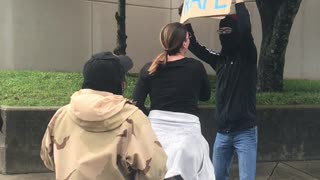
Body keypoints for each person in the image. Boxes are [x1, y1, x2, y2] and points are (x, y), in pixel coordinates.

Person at [40, 52, 167, 180]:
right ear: (122, 84)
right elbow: (156, 169)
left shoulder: (61, 115)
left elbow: (48, 160)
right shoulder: (132, 118)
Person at [180, 0, 258, 179]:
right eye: (221, 31)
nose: (224, 35)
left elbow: (246, 30)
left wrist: (239, 4)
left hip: (245, 132)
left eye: (228, 31)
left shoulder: (247, 56)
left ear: (236, 32)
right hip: (222, 132)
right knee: (216, 176)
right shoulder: (219, 60)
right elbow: (196, 48)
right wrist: (185, 20)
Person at [132, 22, 215, 180]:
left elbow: (137, 103)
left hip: (155, 135)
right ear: (185, 43)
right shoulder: (195, 67)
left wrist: (155, 115)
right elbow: (205, 96)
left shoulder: (149, 68)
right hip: (188, 136)